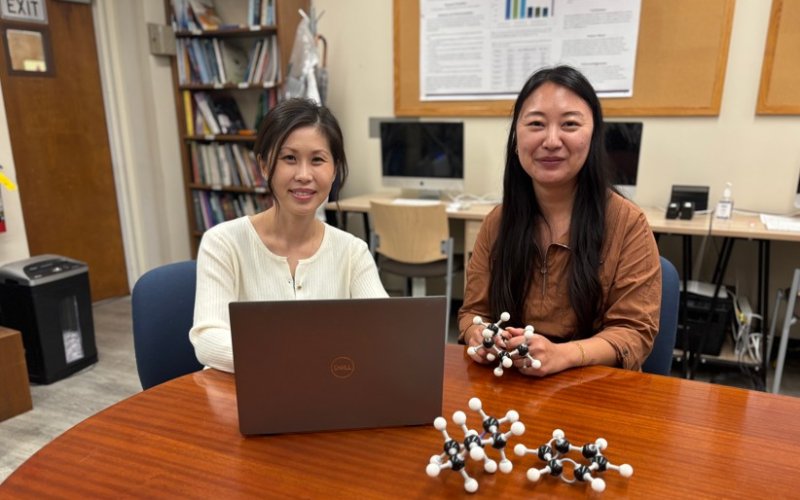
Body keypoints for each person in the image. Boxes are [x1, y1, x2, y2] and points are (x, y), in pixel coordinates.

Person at [458, 65, 661, 376]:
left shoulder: (628, 223)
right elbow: (473, 312)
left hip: (592, 383)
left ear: (593, 137)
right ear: (516, 138)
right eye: (536, 124)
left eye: (569, 124)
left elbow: (633, 333)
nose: (551, 140)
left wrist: (563, 355)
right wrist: (480, 334)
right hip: (513, 382)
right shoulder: (497, 222)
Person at [190, 98, 388, 373]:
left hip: (328, 391)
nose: (304, 175)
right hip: (244, 391)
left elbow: (384, 330)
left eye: (317, 160)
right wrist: (304, 356)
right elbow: (208, 339)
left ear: (334, 169)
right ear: (264, 166)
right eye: (289, 158)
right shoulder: (222, 242)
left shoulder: (353, 251)